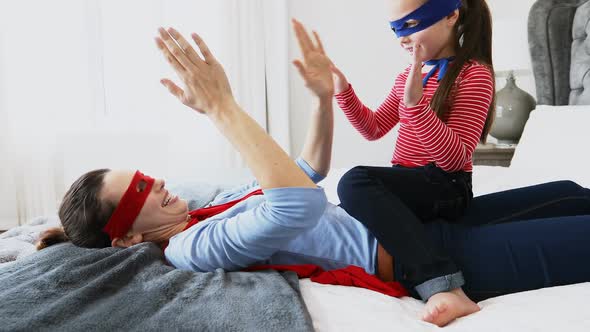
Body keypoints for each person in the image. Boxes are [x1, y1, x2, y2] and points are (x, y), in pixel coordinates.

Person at [36, 23, 590, 328]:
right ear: (129, 237)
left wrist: (325, 101)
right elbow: (296, 205)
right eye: (138, 193)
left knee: (570, 193)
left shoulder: (209, 208)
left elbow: (306, 173)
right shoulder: (193, 246)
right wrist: (223, 108)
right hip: (416, 252)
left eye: (145, 175)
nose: (155, 184)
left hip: (412, 216)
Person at [317, 0, 496, 325]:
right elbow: (373, 128)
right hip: (410, 183)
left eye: (411, 25)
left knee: (353, 182)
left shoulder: (474, 74)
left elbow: (455, 159)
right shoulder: (408, 77)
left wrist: (415, 106)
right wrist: (342, 91)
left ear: (451, 15)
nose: (402, 38)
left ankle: (443, 283)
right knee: (348, 202)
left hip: (447, 185)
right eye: (396, 29)